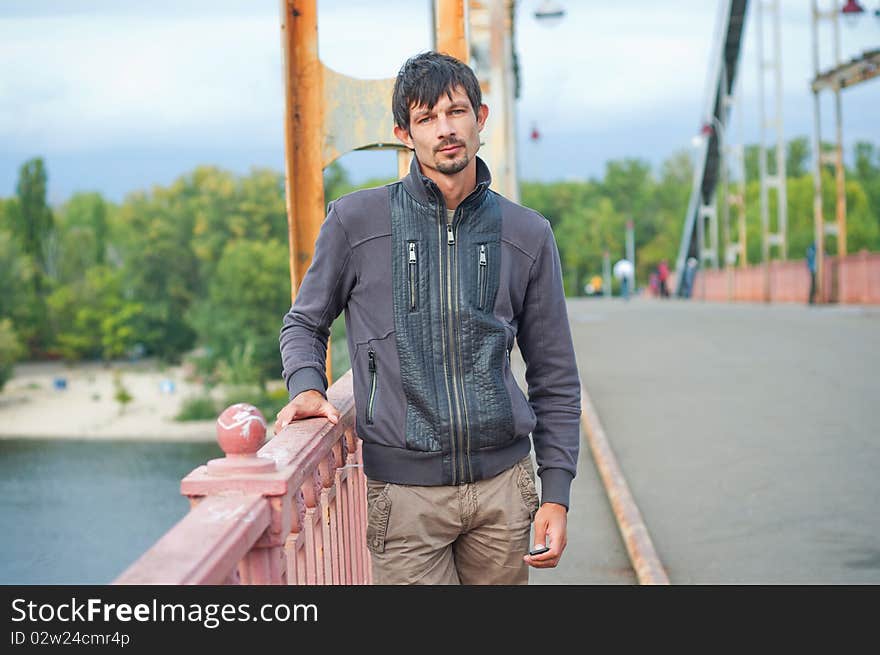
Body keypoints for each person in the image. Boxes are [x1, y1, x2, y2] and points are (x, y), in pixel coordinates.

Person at [275, 52, 581, 585]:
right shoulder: (356, 222)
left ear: (480, 118)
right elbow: (304, 323)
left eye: (456, 112)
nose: (445, 129)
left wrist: (556, 492)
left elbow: (554, 374)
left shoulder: (528, 234)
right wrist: (307, 385)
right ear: (404, 132)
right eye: (426, 118)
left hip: (503, 494)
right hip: (404, 499)